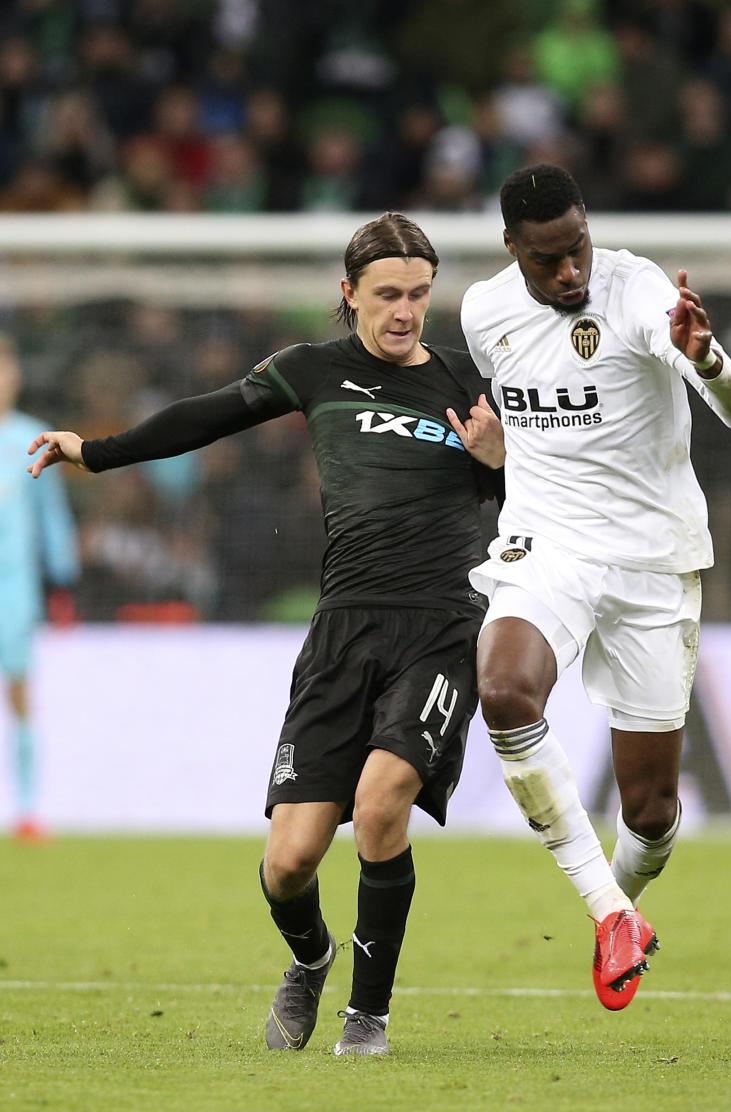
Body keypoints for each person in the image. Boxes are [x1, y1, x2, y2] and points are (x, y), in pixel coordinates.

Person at [26, 212, 505, 1057]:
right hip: (342, 630)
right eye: (387, 294)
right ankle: (312, 959)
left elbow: (525, 502)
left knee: (382, 804)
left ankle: (369, 1017)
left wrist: (500, 464)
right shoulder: (312, 371)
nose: (405, 312)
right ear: (348, 293)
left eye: (420, 295)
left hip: (440, 625)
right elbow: (203, 417)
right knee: (289, 861)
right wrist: (90, 452)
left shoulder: (468, 386)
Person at [460, 163, 731, 1011]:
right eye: (549, 258)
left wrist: (708, 364)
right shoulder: (484, 313)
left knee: (654, 813)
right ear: (512, 247)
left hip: (651, 561)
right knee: (503, 690)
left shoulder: (639, 295)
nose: (571, 273)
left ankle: (623, 907)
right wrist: (500, 457)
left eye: (579, 247)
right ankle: (608, 913)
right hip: (547, 544)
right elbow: (533, 429)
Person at [0, 334, 79, 842]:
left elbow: (51, 517)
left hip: (14, 588)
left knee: (20, 693)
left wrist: (64, 579)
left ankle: (28, 808)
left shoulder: (30, 436)